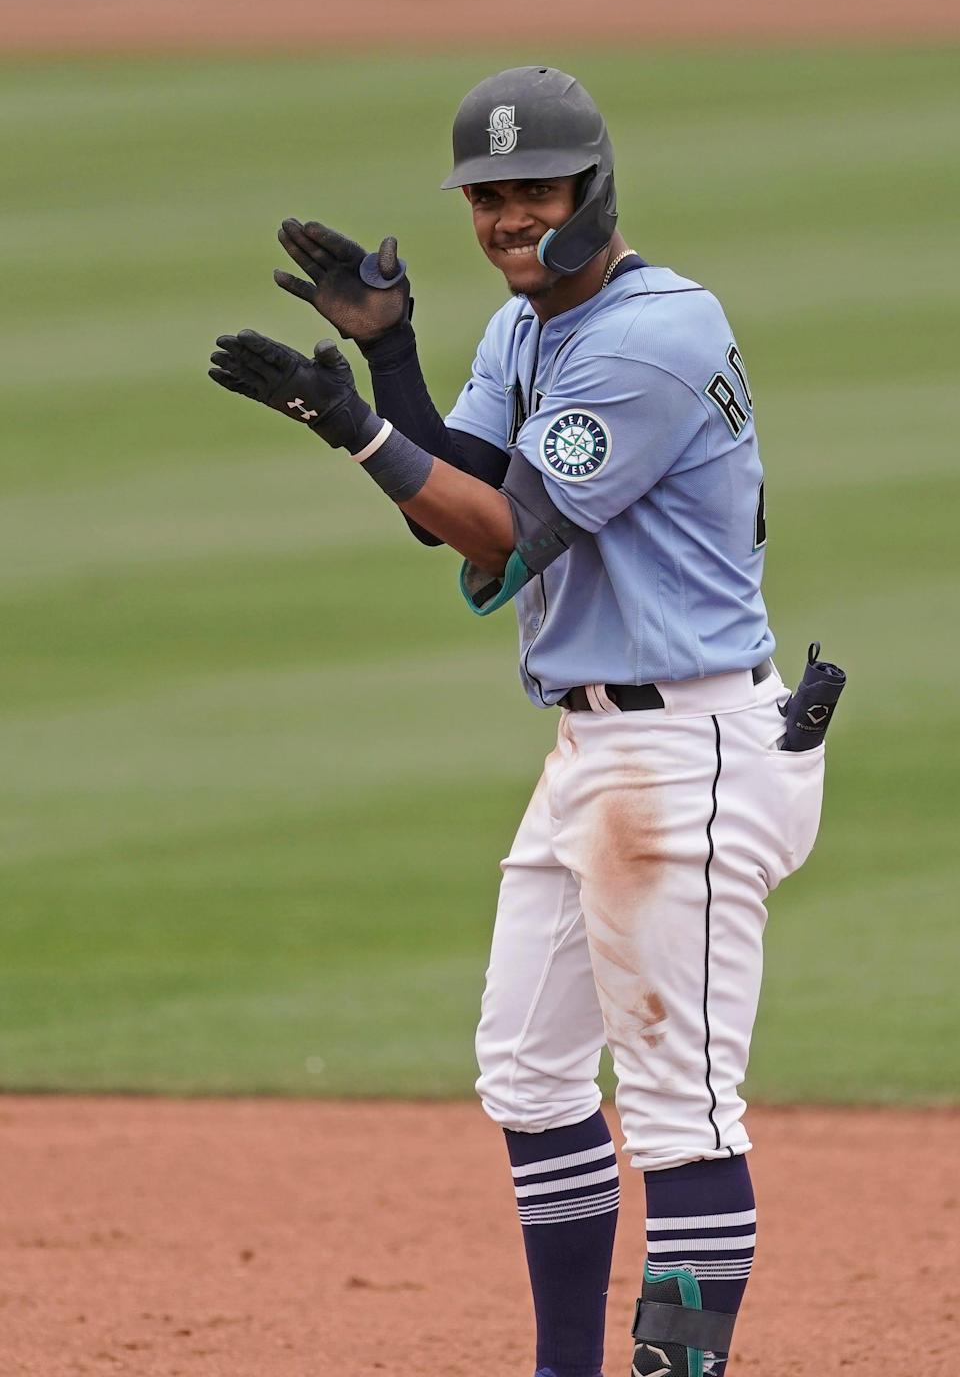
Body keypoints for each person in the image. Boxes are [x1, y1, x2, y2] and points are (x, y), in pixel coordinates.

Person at [208, 66, 827, 1377]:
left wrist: (352, 427)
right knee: (533, 1078)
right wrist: (385, 362)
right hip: (602, 752)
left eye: (532, 193)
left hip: (691, 752)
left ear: (597, 192)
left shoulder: (651, 336)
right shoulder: (528, 324)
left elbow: (515, 533)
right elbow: (459, 499)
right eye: (486, 198)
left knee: (682, 1113)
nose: (503, 221)